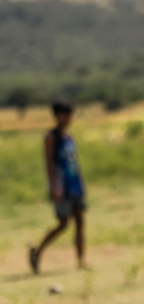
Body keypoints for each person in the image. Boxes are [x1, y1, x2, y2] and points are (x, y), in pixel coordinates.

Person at [29, 101, 88, 273]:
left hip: (75, 184)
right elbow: (49, 163)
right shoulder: (51, 137)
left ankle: (81, 261)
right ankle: (38, 251)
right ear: (57, 116)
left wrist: (81, 182)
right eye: (66, 115)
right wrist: (54, 186)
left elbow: (73, 162)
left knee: (80, 221)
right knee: (63, 224)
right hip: (62, 186)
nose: (69, 118)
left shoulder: (69, 138)